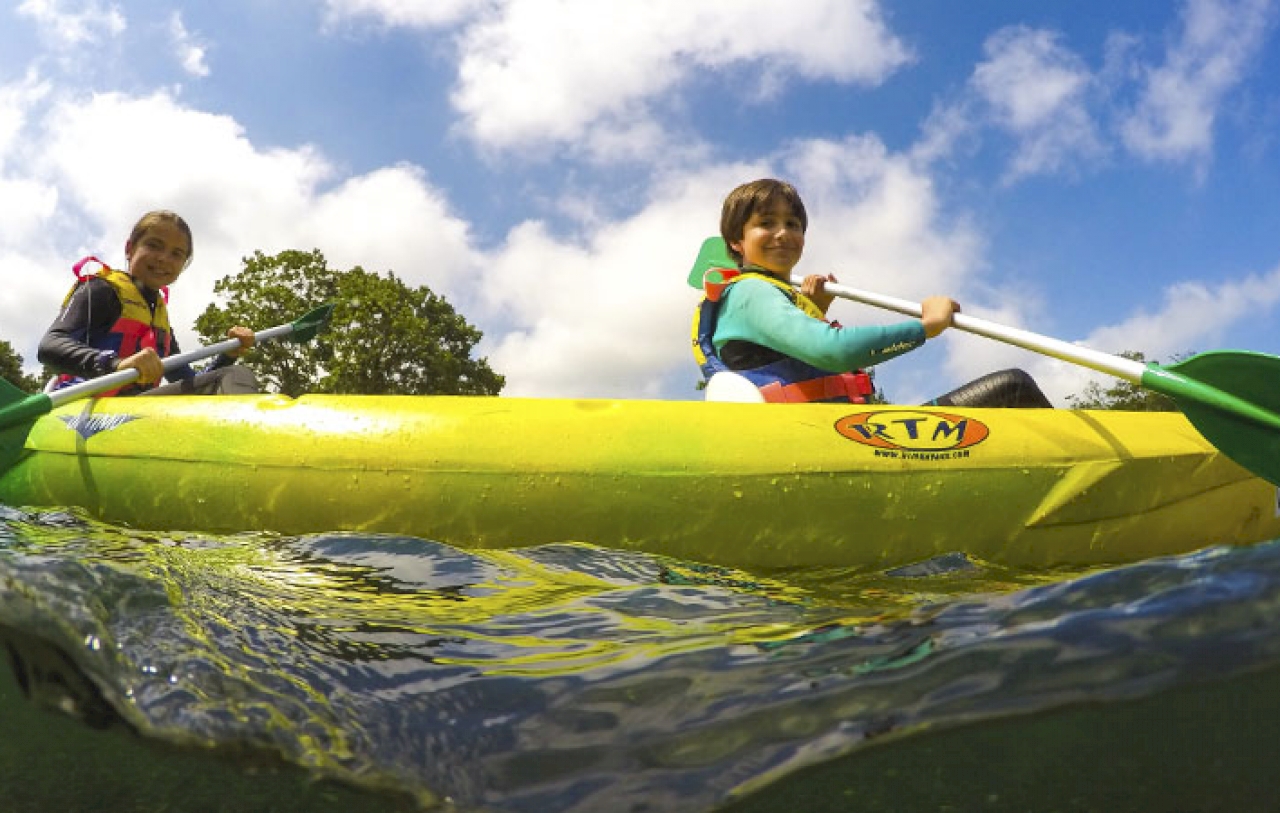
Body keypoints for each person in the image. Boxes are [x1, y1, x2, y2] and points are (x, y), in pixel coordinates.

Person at [692, 179, 1051, 407]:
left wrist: (813, 312)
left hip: (839, 433)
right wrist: (926, 326)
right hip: (829, 442)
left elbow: (795, 366)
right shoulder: (750, 291)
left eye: (793, 224)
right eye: (766, 223)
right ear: (736, 242)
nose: (783, 233)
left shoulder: (764, 295)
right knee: (1013, 387)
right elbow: (834, 351)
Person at [38, 210, 259, 397]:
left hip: (136, 410)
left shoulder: (159, 318)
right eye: (154, 246)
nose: (163, 258)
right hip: (82, 406)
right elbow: (50, 346)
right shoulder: (101, 290)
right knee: (235, 377)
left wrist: (228, 355)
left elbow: (189, 383)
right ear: (130, 249)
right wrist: (114, 364)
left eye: (176, 254)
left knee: (227, 377)